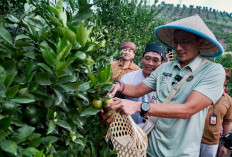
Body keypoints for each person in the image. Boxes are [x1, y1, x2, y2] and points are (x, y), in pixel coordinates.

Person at [102, 14, 225, 157]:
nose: (178, 47)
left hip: (181, 153)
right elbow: (137, 89)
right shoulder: (165, 68)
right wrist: (118, 86)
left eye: (184, 42)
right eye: (175, 42)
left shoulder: (212, 71)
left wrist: (138, 107)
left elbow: (187, 110)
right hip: (149, 147)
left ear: (201, 43)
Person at [120, 42, 166, 124]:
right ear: (142, 58)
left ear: (162, 63)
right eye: (147, 58)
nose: (150, 63)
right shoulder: (128, 78)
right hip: (128, 127)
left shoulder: (166, 83)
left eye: (155, 60)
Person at [200, 67, 232, 157]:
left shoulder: (229, 100)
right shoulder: (199, 93)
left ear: (226, 81)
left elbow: (227, 123)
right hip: (192, 138)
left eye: (223, 77)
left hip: (212, 143)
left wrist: (224, 145)